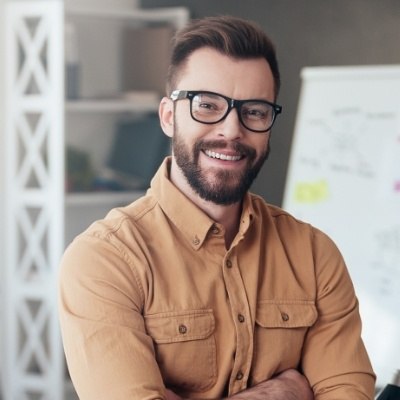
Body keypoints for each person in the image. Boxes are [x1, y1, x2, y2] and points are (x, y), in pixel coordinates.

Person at [58, 15, 376, 400]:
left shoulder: (314, 254)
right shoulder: (104, 260)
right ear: (168, 116)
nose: (231, 131)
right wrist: (283, 393)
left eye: (255, 111)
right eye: (207, 105)